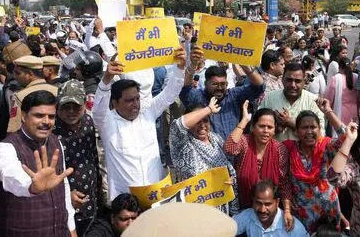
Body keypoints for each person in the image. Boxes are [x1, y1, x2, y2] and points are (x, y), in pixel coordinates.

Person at [92, 49, 186, 200]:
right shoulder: (106, 122)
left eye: (137, 99)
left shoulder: (148, 113)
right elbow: (98, 110)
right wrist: (107, 79)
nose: (135, 104)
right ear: (115, 103)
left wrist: (180, 68)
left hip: (157, 194)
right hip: (126, 203)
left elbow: (170, 93)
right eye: (129, 100)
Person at [0, 90, 77, 237]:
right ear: (23, 116)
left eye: (51, 117)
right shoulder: (4, 149)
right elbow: (10, 176)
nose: (46, 122)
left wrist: (71, 227)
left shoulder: (56, 142)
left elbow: (63, 186)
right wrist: (31, 187)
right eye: (39, 115)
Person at [283, 99, 347, 232]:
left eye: (313, 127)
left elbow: (346, 137)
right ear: (297, 130)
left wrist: (328, 111)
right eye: (304, 128)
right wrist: (288, 203)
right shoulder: (288, 148)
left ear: (319, 129)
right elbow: (283, 179)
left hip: (329, 210)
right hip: (302, 212)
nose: (309, 131)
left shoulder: (326, 146)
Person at [169, 97, 238, 215]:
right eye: (197, 121)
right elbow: (178, 126)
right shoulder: (182, 144)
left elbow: (228, 167)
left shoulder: (216, 139)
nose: (202, 125)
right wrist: (208, 109)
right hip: (194, 212)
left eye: (205, 120)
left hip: (221, 209)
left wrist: (229, 180)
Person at [224, 101, 292, 219]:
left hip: (269, 211)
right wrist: (244, 120)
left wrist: (287, 211)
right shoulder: (245, 142)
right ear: (253, 128)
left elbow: (283, 182)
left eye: (270, 127)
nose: (265, 130)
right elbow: (229, 148)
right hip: (243, 208)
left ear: (274, 130)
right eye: (261, 126)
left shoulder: (279, 149)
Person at [180, 46, 265, 140]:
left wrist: (247, 68)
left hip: (232, 151)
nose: (220, 88)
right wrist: (193, 65)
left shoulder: (234, 95)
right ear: (205, 84)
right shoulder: (198, 97)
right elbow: (184, 90)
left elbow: (259, 87)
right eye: (215, 84)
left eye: (223, 84)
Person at [53, 80, 100, 236]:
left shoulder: (88, 122)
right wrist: (65, 195)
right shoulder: (50, 132)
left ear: (85, 104)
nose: (71, 111)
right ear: (57, 106)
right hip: (63, 208)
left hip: (92, 203)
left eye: (76, 106)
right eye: (66, 107)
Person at [261, 62, 325, 141]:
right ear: (282, 79)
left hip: (303, 153)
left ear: (304, 81)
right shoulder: (270, 98)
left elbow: (320, 135)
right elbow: (257, 129)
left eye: (297, 81)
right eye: (289, 80)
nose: (293, 85)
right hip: (274, 152)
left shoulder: (313, 101)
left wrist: (292, 123)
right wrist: (275, 127)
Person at [233, 180, 308, 237]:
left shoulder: (294, 228)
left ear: (277, 202)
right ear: (252, 201)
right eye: (258, 203)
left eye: (268, 204)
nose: (262, 210)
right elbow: (226, 227)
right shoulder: (248, 215)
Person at [6, 55, 58, 133]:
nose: (15, 76)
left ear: (30, 74)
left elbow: (14, 128)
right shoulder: (57, 90)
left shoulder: (20, 96)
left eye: (18, 73)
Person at [324, 57, 358, 124]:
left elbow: (329, 98)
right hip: (354, 110)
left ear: (340, 67)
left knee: (339, 132)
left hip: (339, 111)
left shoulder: (336, 78)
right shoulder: (356, 77)